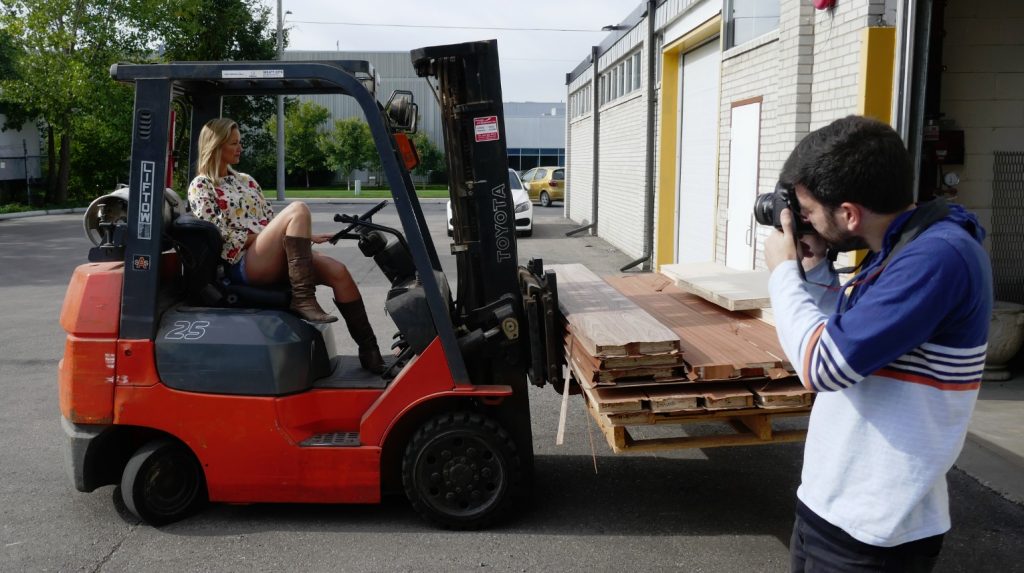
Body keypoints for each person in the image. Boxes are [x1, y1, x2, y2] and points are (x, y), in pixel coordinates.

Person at [764, 115, 992, 572]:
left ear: (849, 214)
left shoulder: (938, 258)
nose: (803, 220)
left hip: (875, 534)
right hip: (828, 507)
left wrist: (782, 272)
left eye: (808, 212)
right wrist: (812, 271)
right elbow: (845, 342)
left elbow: (821, 366)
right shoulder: (896, 249)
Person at [187, 118, 385, 374]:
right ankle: (303, 299)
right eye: (234, 143)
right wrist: (268, 238)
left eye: (240, 142)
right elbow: (217, 234)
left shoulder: (246, 180)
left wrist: (306, 238)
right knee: (298, 208)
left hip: (274, 252)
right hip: (244, 261)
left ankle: (370, 352)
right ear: (215, 146)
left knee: (339, 272)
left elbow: (270, 221)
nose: (240, 148)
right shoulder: (201, 185)